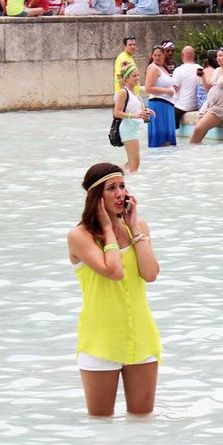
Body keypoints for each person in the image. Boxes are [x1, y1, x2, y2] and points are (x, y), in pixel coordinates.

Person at [67, 163, 161, 417]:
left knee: (143, 424)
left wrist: (135, 228)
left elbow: (150, 274)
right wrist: (108, 230)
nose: (120, 193)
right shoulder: (80, 235)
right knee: (100, 426)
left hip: (141, 339)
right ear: (96, 196)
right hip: (100, 341)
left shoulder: (138, 227)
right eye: (111, 188)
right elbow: (114, 271)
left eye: (122, 186)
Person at [190, 48, 223, 143]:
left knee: (198, 129)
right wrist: (203, 76)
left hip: (221, 106)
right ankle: (194, 153)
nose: (218, 58)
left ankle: (190, 150)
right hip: (209, 103)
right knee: (199, 131)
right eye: (217, 56)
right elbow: (208, 88)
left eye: (221, 56)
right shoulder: (216, 70)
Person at [114, 64, 154, 172]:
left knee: (131, 163)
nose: (137, 78)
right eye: (134, 76)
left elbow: (136, 111)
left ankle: (112, 172)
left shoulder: (135, 93)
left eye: (138, 75)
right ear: (126, 78)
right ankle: (129, 184)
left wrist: (147, 111)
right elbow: (116, 112)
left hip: (133, 130)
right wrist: (133, 116)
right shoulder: (124, 92)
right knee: (135, 164)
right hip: (127, 130)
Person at [144, 46, 177, 148]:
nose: (157, 57)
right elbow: (148, 88)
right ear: (152, 56)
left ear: (164, 55)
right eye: (155, 55)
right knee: (160, 140)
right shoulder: (153, 68)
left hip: (167, 106)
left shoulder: (164, 68)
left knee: (167, 142)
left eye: (159, 55)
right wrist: (167, 91)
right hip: (158, 105)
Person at [171, 45, 203, 129]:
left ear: (182, 55)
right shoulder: (200, 69)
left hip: (182, 106)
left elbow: (174, 89)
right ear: (194, 56)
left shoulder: (179, 70)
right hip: (196, 106)